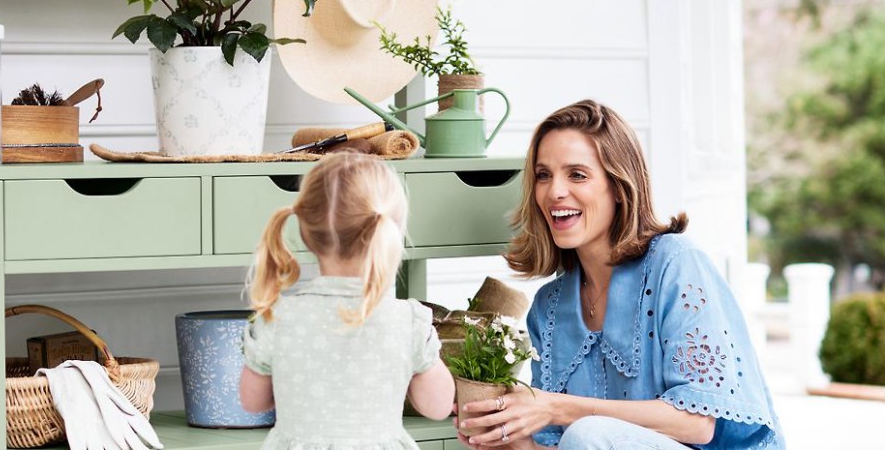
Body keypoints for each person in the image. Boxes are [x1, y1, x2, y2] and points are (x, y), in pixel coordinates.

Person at [456, 100, 783, 450]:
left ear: (618, 186)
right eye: (543, 175)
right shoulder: (547, 308)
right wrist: (515, 442)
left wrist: (554, 407)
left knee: (588, 431)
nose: (554, 192)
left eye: (577, 174)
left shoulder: (676, 264)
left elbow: (698, 424)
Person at [240, 152, 455, 449]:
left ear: (305, 231)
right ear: (391, 230)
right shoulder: (408, 320)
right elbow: (437, 406)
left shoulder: (279, 317)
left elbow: (252, 402)